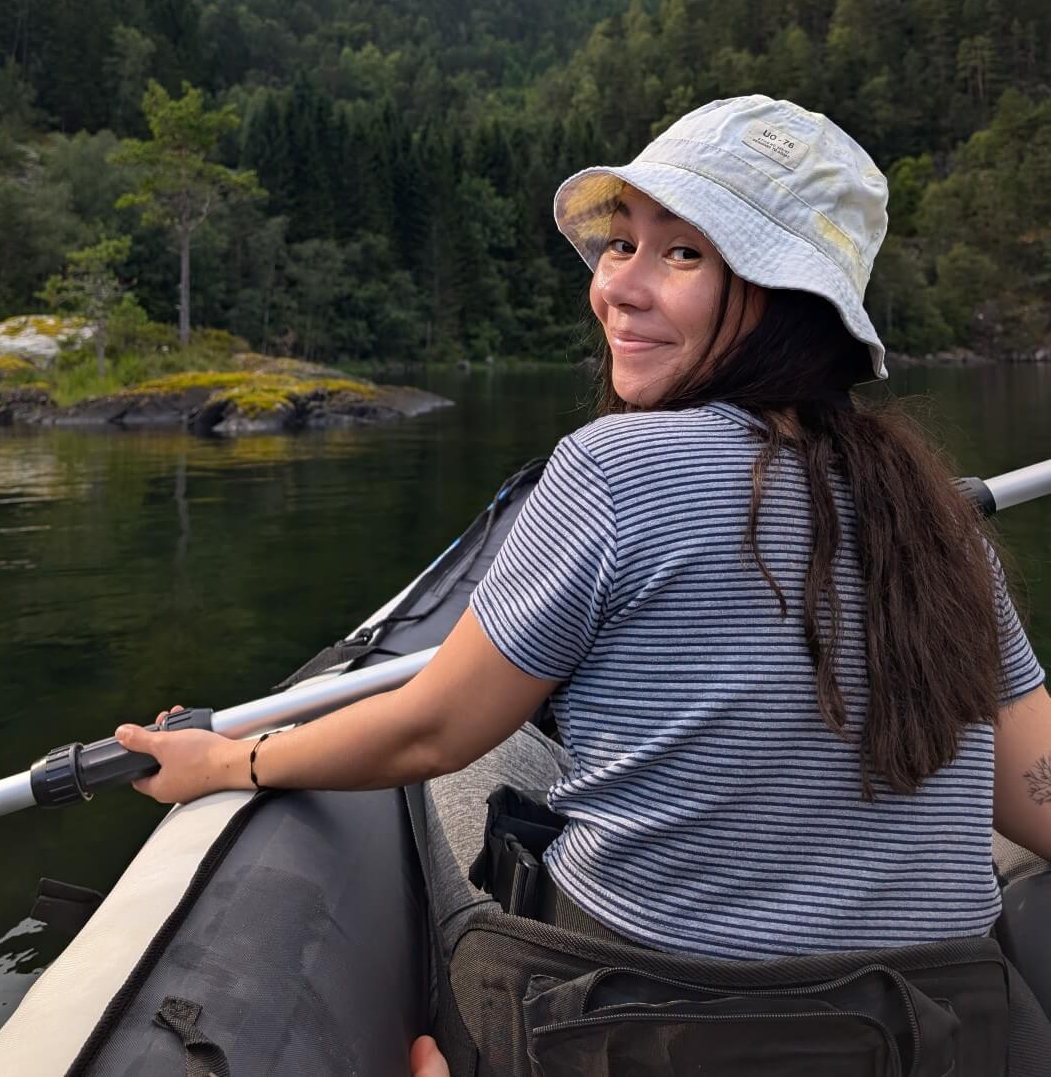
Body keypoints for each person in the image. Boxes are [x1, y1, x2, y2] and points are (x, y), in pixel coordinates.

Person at [116, 97, 1051, 1016]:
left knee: (465, 773)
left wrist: (228, 762)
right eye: (622, 243)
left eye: (683, 252)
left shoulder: (610, 468)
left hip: (658, 1020)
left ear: (789, 303)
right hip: (944, 1024)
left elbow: (429, 733)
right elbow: (1035, 795)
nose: (620, 287)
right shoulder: (937, 514)